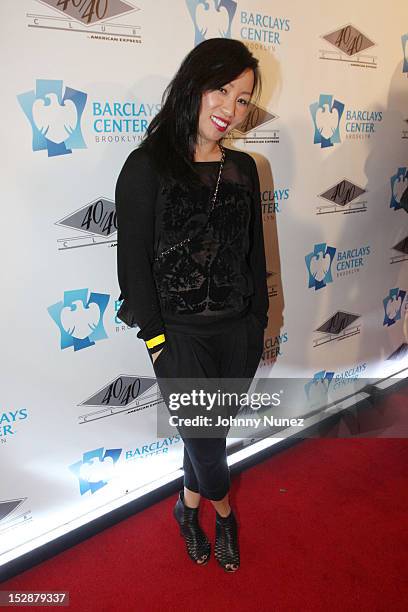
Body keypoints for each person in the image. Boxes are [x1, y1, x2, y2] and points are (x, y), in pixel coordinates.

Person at [115, 38, 268, 573]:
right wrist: (158, 343)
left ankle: (185, 508)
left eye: (243, 98)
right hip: (178, 337)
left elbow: (254, 258)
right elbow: (133, 269)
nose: (230, 107)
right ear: (193, 87)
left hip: (237, 335)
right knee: (208, 442)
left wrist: (258, 325)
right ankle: (224, 516)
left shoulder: (246, 168)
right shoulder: (146, 167)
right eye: (221, 89)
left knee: (207, 437)